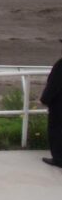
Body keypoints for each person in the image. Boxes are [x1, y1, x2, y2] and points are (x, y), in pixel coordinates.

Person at [41, 39, 62, 167]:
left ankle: (59, 158)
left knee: (57, 130)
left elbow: (53, 85)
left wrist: (45, 99)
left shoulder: (60, 65)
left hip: (59, 107)